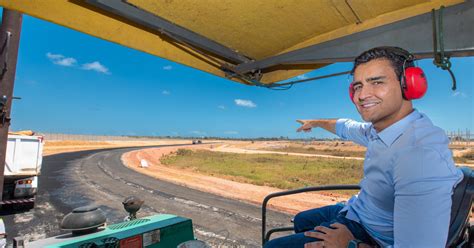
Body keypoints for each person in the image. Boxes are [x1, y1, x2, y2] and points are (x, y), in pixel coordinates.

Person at [264, 46, 463, 248]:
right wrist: (315, 122)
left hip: (370, 236)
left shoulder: (420, 155)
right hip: (356, 211)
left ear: (408, 84)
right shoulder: (380, 130)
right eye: (358, 86)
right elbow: (345, 127)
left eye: (377, 82)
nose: (362, 95)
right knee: (301, 220)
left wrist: (352, 245)